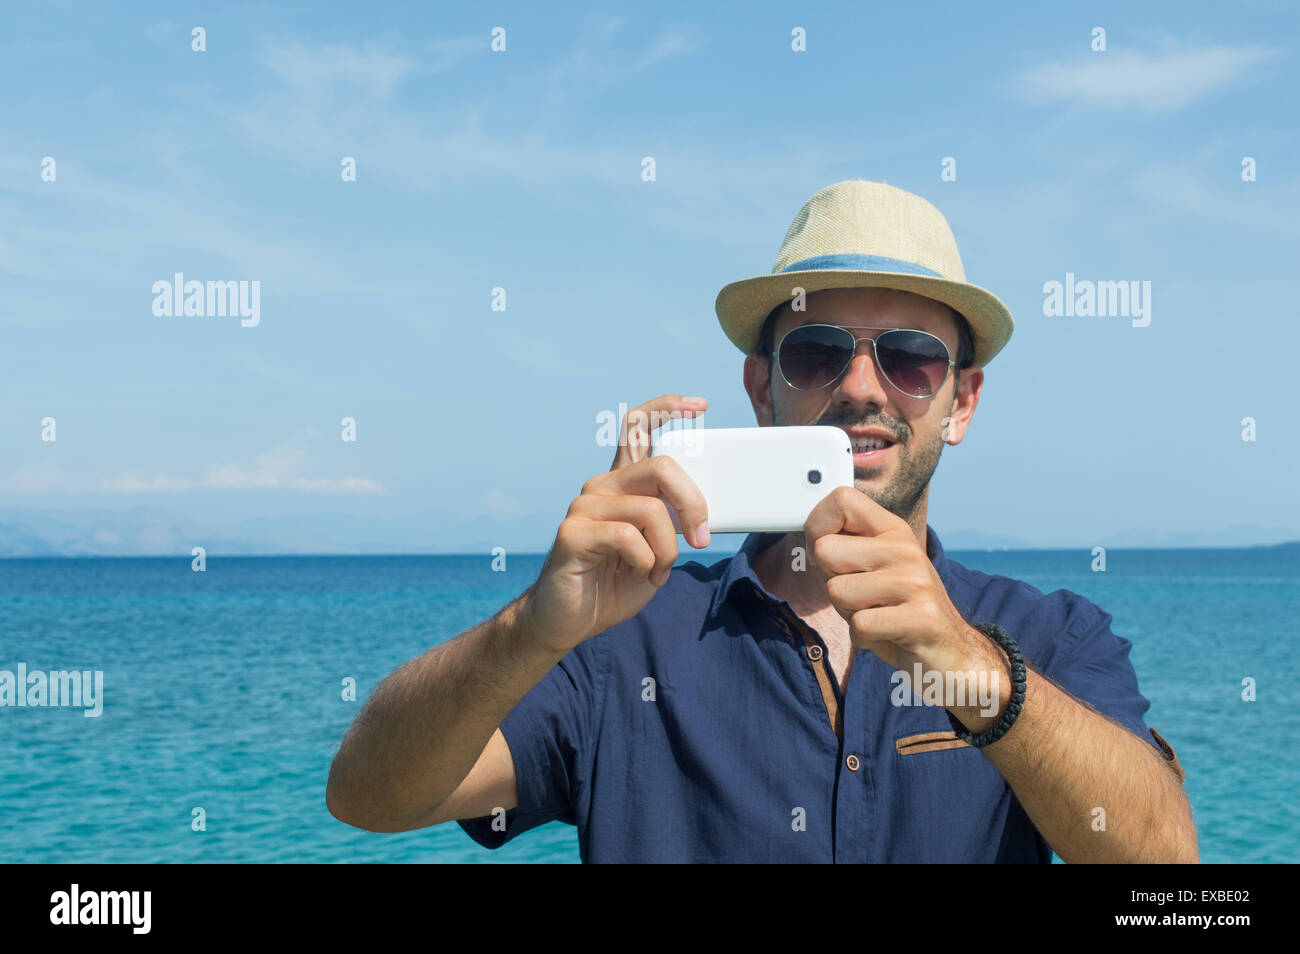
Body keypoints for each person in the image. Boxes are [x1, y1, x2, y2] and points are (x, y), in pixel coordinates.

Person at [326, 180, 1197, 863]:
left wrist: (974, 671)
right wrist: (530, 630)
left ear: (961, 401)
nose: (861, 387)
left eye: (910, 357)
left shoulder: (1050, 637)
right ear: (761, 389)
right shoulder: (621, 641)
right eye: (818, 351)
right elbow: (370, 797)